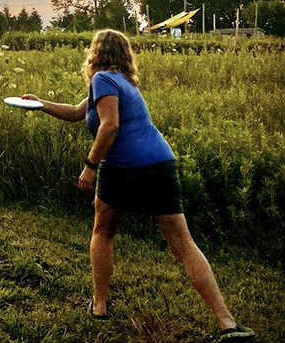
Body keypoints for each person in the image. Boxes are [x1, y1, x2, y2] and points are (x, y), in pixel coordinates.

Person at [22, 29, 255, 341]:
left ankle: (100, 305)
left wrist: (89, 167)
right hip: (159, 164)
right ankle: (228, 324)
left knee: (103, 231)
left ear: (95, 53)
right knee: (183, 244)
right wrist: (41, 104)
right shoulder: (122, 83)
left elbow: (110, 125)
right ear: (124, 54)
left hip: (123, 168)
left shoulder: (102, 79)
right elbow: (79, 113)